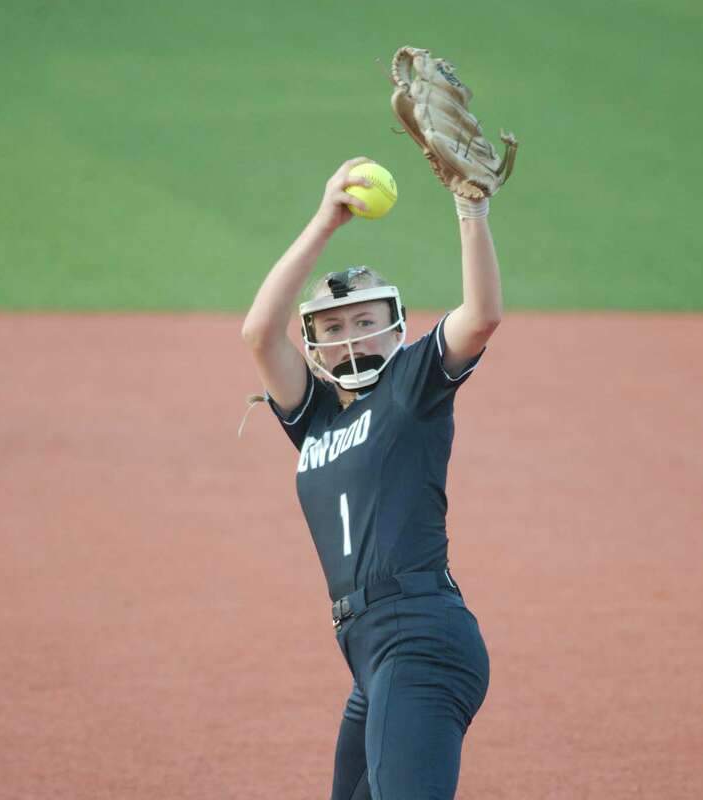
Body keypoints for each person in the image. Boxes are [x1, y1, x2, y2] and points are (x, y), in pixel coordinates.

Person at [241, 155, 503, 800]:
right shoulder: (314, 418)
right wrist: (326, 219)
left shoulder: (411, 386)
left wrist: (471, 208)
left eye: (364, 320)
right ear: (315, 342)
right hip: (370, 656)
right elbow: (260, 332)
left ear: (393, 323)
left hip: (420, 640)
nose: (351, 337)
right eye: (333, 327)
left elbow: (481, 316)